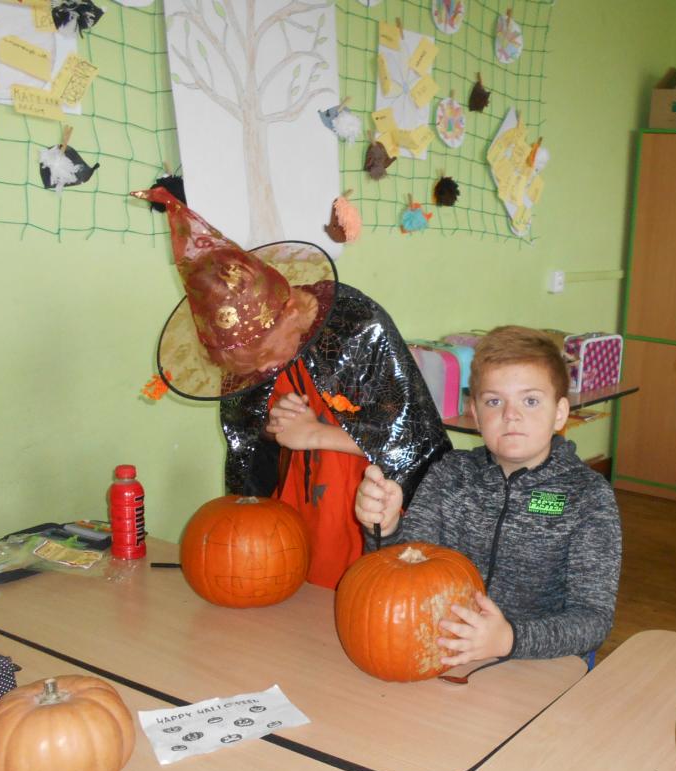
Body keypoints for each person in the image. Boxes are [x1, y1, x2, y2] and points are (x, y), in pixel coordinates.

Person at [136, 187, 449, 589]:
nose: (263, 370)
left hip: (365, 502)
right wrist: (274, 427)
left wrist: (314, 434)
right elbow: (254, 439)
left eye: (268, 357)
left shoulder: (357, 327)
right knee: (294, 591)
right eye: (250, 368)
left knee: (356, 595)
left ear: (288, 317)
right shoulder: (253, 356)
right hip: (299, 502)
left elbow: (412, 440)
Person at [354, 326, 621, 666]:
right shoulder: (450, 474)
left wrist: (509, 639)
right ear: (476, 414)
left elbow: (593, 619)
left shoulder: (589, 496)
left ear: (560, 413)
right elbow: (402, 579)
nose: (511, 415)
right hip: (446, 650)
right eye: (494, 401)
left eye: (530, 400)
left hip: (543, 664)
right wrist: (384, 528)